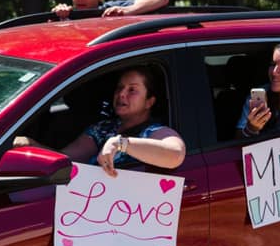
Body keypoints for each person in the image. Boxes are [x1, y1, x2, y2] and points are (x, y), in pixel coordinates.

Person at [14, 66, 186, 178]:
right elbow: (65, 159)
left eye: (132, 90)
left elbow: (176, 155)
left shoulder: (153, 132)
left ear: (150, 101)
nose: (121, 94)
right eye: (119, 88)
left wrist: (120, 143)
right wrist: (31, 146)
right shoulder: (102, 129)